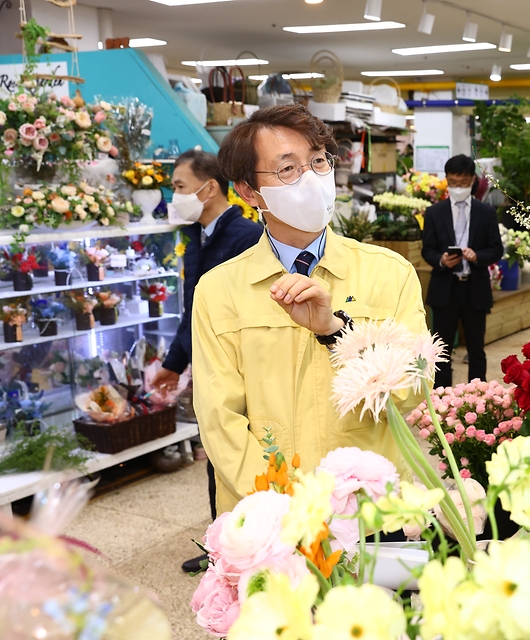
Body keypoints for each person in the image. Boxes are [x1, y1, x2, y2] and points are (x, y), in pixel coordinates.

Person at [192, 104, 426, 515]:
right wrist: (279, 508)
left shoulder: (389, 273)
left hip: (371, 511)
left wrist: (337, 331)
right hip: (268, 518)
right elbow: (219, 418)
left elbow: (412, 390)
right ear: (249, 191)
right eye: (287, 169)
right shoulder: (219, 291)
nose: (312, 178)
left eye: (318, 161)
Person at [147, 150, 263, 574]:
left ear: (209, 187)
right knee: (216, 455)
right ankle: (224, 546)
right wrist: (174, 364)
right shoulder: (196, 236)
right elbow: (194, 309)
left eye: (179, 187)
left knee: (241, 457)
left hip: (245, 371)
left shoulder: (247, 236)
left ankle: (253, 548)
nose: (174, 196)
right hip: (210, 368)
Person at [421, 155, 503, 387]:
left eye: (463, 182)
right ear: (446, 180)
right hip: (445, 289)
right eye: (453, 182)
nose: (458, 187)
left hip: (474, 287)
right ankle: (442, 398)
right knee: (441, 349)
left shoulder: (486, 213)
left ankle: (478, 395)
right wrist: (441, 260)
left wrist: (477, 257)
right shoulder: (434, 213)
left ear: (473, 181)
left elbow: (496, 249)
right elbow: (428, 249)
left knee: (476, 348)